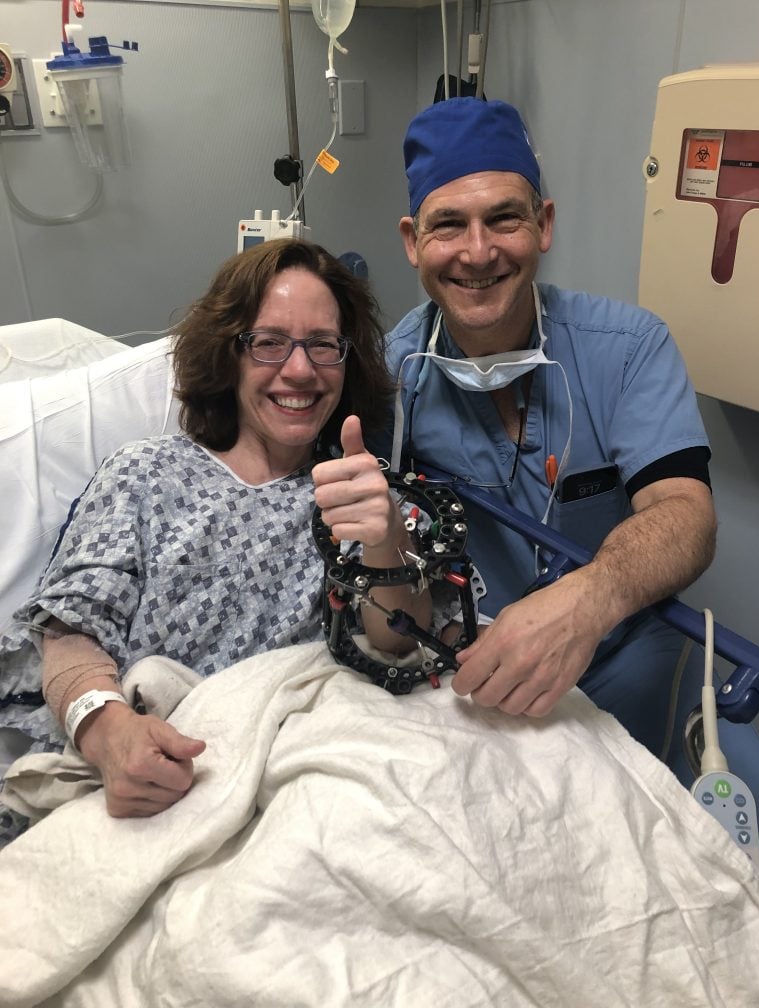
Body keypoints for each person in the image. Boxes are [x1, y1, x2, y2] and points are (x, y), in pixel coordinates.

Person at [0, 237, 449, 842]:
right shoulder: (144, 476)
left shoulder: (363, 494)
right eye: (268, 342)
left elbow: (400, 644)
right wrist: (106, 732)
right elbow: (71, 634)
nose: (300, 369)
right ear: (228, 353)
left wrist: (386, 536)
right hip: (151, 779)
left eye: (323, 344)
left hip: (304, 787)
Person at [374, 96, 717, 754]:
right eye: (449, 225)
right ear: (414, 242)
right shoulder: (390, 381)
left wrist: (589, 598)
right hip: (476, 681)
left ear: (544, 224)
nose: (478, 252)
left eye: (504, 218)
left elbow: (686, 512)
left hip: (624, 668)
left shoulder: (627, 348)